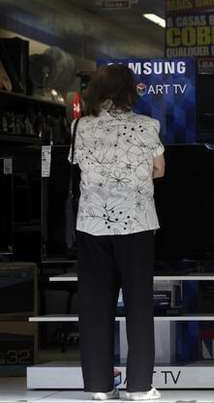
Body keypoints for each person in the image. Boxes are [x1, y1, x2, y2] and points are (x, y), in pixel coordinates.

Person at [70, 64, 164, 401]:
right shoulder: (147, 126)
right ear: (131, 91)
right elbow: (159, 169)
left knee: (95, 304)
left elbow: (78, 165)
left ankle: (99, 385)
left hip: (92, 223)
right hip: (135, 223)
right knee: (138, 304)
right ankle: (139, 385)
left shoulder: (80, 126)